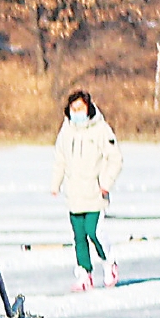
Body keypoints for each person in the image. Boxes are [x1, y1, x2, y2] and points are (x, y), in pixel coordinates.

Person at [51, 89, 122, 291]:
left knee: (94, 232)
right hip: (74, 194)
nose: (77, 112)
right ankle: (84, 274)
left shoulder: (101, 129)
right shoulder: (66, 131)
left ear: (88, 108)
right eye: (74, 109)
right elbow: (60, 158)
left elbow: (115, 158)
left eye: (81, 108)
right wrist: (55, 183)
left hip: (95, 193)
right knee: (79, 236)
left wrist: (105, 183)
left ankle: (109, 264)